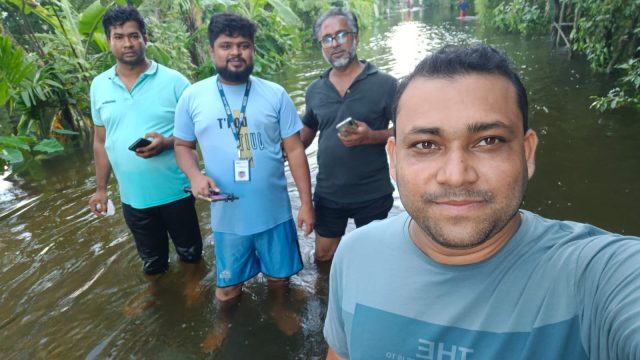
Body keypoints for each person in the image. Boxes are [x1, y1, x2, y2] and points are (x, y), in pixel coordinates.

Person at [324, 44, 640, 359]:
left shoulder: (593, 278)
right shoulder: (354, 256)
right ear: (393, 159)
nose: (456, 175)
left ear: (527, 153)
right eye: (426, 144)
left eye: (489, 141)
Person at [173, 12, 314, 344]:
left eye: (243, 45)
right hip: (228, 217)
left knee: (280, 278)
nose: (235, 52)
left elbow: (294, 151)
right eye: (226, 45)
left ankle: (278, 308)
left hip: (274, 214)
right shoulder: (192, 97)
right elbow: (182, 145)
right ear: (212, 51)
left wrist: (307, 205)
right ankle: (223, 325)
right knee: (227, 287)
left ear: (253, 50)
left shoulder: (275, 94)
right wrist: (195, 175)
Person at [88, 6, 203, 288]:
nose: (127, 43)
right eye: (119, 37)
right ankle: (155, 294)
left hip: (176, 190)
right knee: (152, 259)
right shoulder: (99, 86)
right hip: (133, 198)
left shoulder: (175, 82)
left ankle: (192, 288)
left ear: (144, 38)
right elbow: (100, 141)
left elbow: (200, 134)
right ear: (108, 41)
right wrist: (101, 189)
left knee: (190, 253)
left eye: (133, 36)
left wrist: (167, 143)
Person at [301, 8, 398, 263]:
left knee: (372, 258)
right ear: (322, 45)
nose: (335, 44)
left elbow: (409, 131)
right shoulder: (315, 90)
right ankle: (328, 299)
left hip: (373, 193)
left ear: (355, 37)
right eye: (327, 38)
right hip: (329, 192)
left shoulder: (386, 84)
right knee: (323, 256)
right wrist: (278, 151)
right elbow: (305, 135)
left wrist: (373, 136)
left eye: (341, 34)